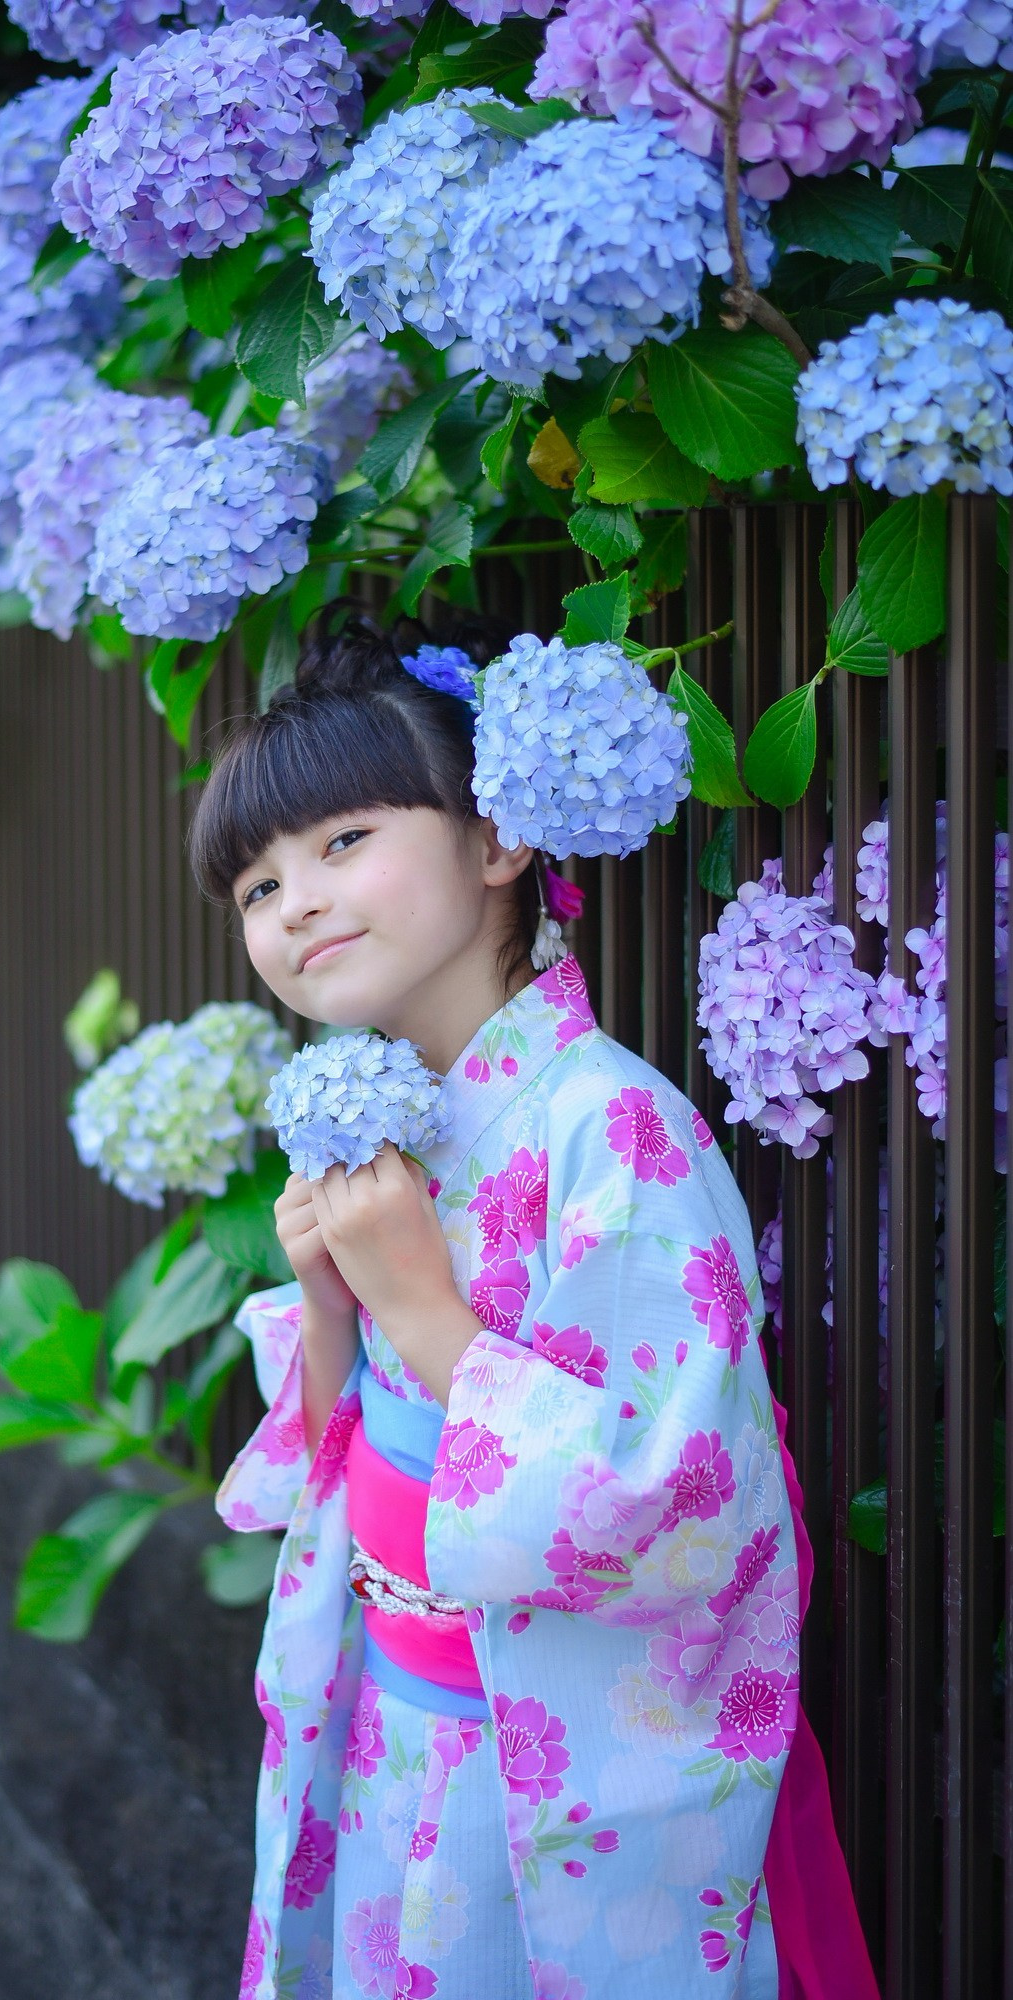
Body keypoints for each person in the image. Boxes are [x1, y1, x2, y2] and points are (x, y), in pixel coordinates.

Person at [188, 616, 876, 2000]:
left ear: (497, 840)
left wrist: (424, 1311)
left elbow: (669, 1490)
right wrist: (334, 1311)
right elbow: (351, 1456)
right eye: (258, 885)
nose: (297, 903)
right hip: (396, 1723)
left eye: (340, 844)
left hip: (534, 1767)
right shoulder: (409, 1123)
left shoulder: (616, 1132)